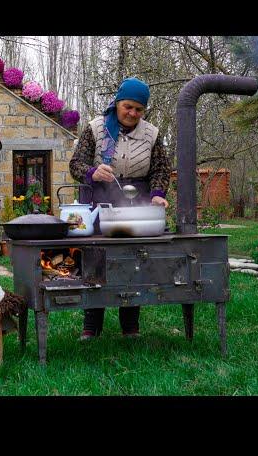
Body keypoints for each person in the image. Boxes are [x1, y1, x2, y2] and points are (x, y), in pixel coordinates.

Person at [69, 77, 171, 340]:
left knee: (133, 259)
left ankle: (130, 326)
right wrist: (93, 171)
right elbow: (75, 165)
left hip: (136, 201)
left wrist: (158, 195)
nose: (132, 113)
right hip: (99, 200)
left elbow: (160, 169)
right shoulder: (96, 129)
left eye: (139, 109)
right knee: (96, 260)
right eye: (128, 107)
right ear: (117, 103)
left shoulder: (152, 134)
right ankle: (91, 326)